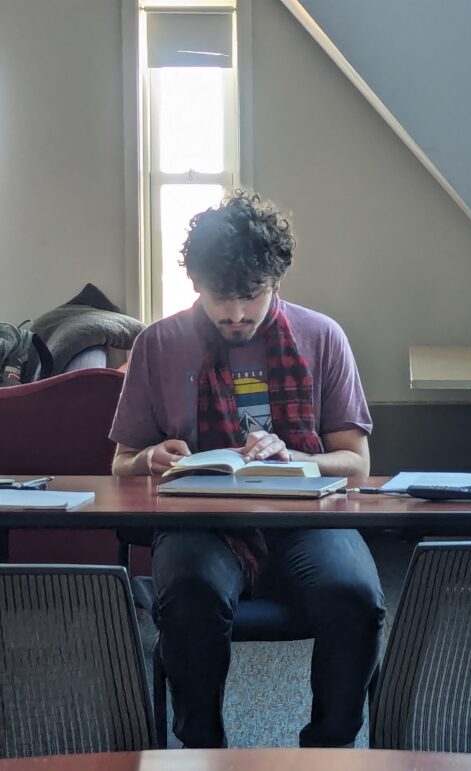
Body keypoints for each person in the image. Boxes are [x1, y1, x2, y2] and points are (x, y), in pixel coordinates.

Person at [110, 190, 385, 747]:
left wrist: (296, 457)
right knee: (189, 594)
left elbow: (356, 465)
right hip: (201, 521)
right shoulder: (158, 344)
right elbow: (121, 465)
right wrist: (150, 457)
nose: (236, 313)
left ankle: (328, 752)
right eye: (220, 297)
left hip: (308, 517)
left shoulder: (322, 337)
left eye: (251, 296)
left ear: (276, 281)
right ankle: (202, 750)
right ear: (196, 285)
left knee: (354, 597)